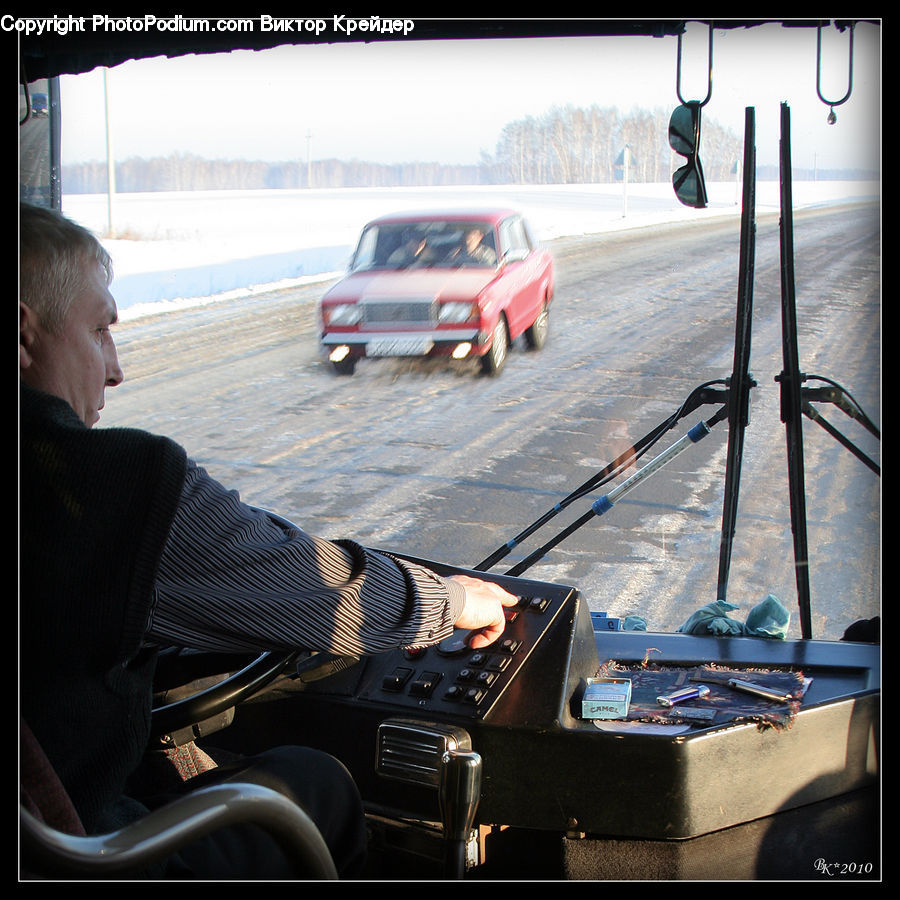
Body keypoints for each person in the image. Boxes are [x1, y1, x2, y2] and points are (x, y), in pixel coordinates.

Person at [18, 203, 518, 878]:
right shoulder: (108, 486)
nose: (115, 370)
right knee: (314, 783)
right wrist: (449, 600)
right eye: (100, 329)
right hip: (78, 852)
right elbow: (314, 588)